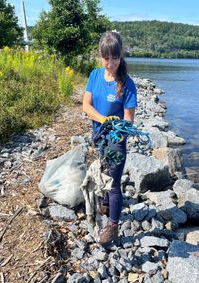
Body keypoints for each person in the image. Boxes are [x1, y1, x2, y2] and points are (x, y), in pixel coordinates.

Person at [83, 31, 137, 246]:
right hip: (98, 135)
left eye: (115, 58)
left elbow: (128, 120)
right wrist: (104, 120)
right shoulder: (94, 75)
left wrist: (116, 132)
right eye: (106, 58)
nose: (110, 63)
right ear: (101, 56)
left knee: (114, 183)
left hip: (116, 139)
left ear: (120, 55)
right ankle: (105, 204)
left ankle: (113, 226)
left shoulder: (127, 84)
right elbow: (86, 106)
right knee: (101, 173)